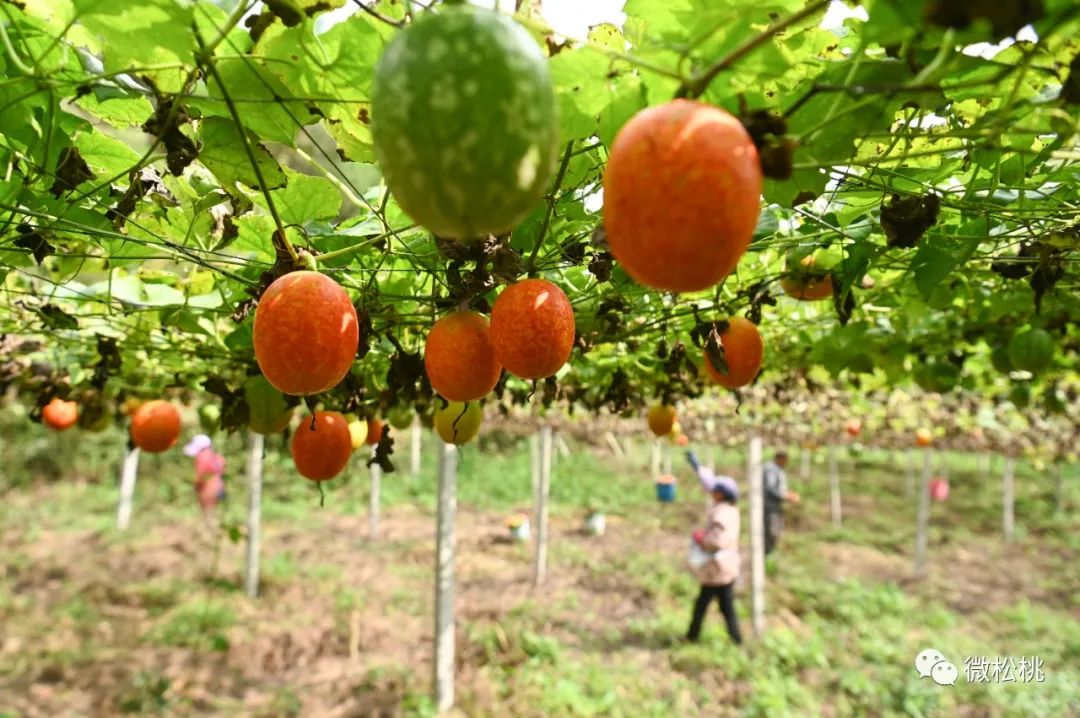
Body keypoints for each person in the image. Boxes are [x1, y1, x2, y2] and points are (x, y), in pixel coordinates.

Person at [684, 451, 742, 645]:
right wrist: (697, 466)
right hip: (725, 568)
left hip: (718, 569)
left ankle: (692, 638)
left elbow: (716, 541)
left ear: (720, 494)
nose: (711, 492)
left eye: (715, 491)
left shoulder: (721, 514)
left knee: (706, 606)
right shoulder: (730, 509)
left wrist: (702, 539)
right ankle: (736, 640)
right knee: (725, 607)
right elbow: (709, 482)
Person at [183, 434, 226, 525]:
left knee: (208, 516)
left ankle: (211, 534)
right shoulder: (216, 457)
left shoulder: (203, 457)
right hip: (219, 487)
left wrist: (197, 486)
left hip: (208, 491)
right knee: (214, 513)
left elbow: (200, 476)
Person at [763, 450, 800, 555]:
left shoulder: (777, 469)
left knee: (776, 530)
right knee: (771, 531)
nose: (786, 463)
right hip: (769, 506)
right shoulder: (771, 469)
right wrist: (786, 496)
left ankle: (770, 554)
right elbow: (771, 488)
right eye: (785, 460)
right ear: (780, 459)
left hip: (774, 506)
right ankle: (767, 555)